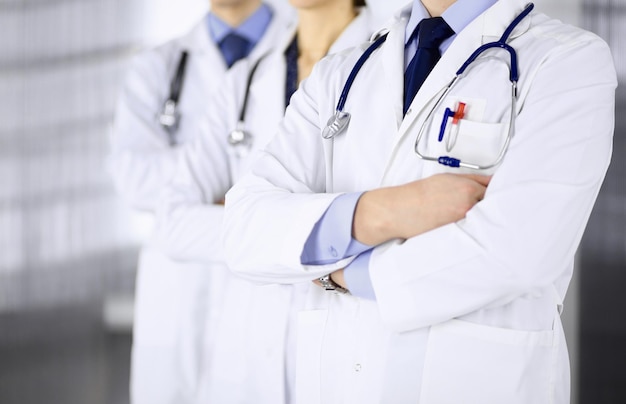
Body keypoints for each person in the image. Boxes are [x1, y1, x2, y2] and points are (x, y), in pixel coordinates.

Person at [220, 0, 617, 402]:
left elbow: (520, 251)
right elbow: (243, 230)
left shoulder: (568, 60)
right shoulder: (340, 72)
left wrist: (336, 270)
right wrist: (387, 211)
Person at [154, 0, 380, 402]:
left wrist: (259, 221)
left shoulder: (390, 69)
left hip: (352, 344)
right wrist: (316, 228)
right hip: (247, 351)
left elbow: (399, 220)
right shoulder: (245, 81)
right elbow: (173, 223)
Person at [109, 2, 292, 403]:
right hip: (178, 284)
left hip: (265, 283)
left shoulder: (302, 52)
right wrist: (241, 179)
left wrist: (198, 186)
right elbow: (134, 179)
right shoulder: (159, 64)